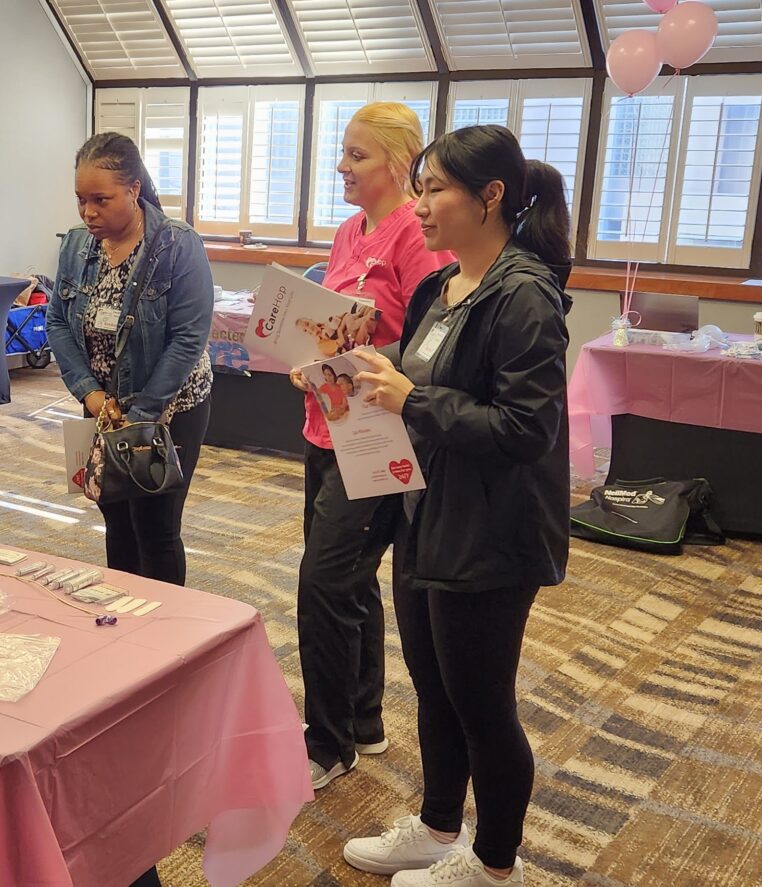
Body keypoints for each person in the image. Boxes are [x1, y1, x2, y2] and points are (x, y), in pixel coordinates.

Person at [340, 125, 573, 887]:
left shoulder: (526, 295)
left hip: (493, 533)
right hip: (428, 514)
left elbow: (525, 430)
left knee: (483, 705)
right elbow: (423, 394)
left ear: (492, 196)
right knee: (434, 685)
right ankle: (440, 826)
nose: (423, 204)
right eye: (421, 186)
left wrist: (417, 398)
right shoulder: (442, 289)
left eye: (436, 187)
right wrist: (366, 378)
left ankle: (495, 864)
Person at [288, 102, 456, 791]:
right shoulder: (347, 232)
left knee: (324, 581)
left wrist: (355, 359)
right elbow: (337, 323)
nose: (342, 167)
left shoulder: (419, 239)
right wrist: (312, 351)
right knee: (348, 578)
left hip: (379, 434)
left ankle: (325, 742)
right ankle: (362, 716)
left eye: (356, 156)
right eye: (343, 153)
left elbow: (430, 348)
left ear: (397, 162)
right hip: (325, 423)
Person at [48, 132, 214, 585]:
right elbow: (58, 322)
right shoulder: (76, 245)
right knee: (117, 522)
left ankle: (166, 635)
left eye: (101, 199)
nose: (88, 212)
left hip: (168, 408)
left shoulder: (178, 245)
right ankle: (124, 625)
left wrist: (139, 415)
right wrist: (92, 395)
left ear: (134, 190)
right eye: (81, 199)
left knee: (156, 528)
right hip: (103, 407)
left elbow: (188, 340)